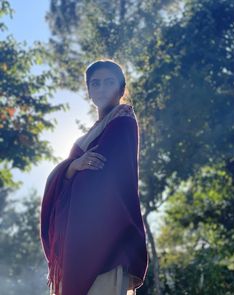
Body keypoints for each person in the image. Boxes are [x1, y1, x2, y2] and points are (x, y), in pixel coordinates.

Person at [40, 59, 149, 295]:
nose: (101, 88)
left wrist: (73, 170)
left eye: (109, 82)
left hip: (106, 241)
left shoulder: (122, 122)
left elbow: (103, 179)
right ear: (89, 91)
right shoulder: (90, 134)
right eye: (95, 83)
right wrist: (71, 168)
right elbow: (74, 175)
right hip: (76, 242)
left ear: (121, 90)